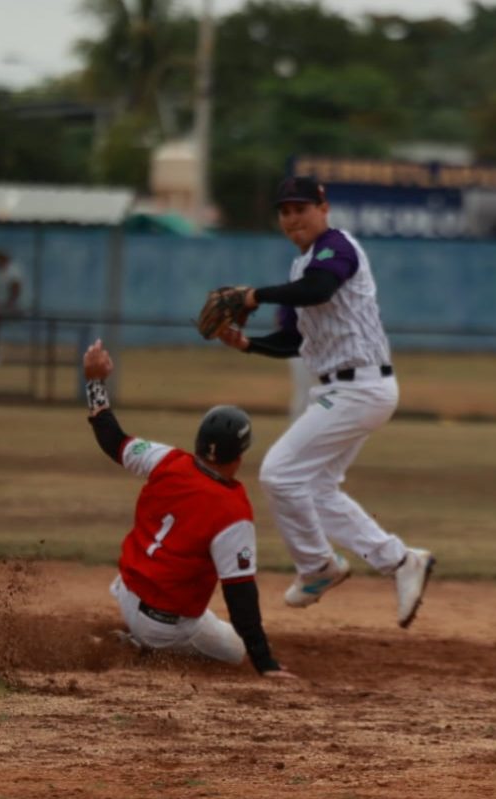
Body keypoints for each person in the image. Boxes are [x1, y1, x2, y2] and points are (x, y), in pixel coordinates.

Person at [212, 175, 434, 629]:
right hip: (341, 388)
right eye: (285, 211)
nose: (293, 218)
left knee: (279, 473)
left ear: (323, 207)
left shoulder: (337, 247)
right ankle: (400, 561)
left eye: (301, 208)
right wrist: (247, 345)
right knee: (316, 488)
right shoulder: (302, 268)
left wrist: (255, 294)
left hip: (361, 388)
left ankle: (317, 567)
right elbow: (295, 339)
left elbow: (319, 290)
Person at [82, 339, 295, 678]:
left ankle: (135, 636)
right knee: (233, 649)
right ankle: (143, 644)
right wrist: (264, 661)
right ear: (240, 456)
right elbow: (240, 595)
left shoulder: (167, 460)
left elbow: (113, 440)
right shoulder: (232, 511)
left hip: (126, 589)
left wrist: (95, 382)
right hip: (165, 627)